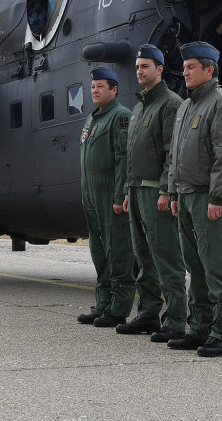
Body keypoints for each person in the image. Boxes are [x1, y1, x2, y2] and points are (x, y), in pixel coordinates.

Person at [164, 41, 222, 358]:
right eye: (183, 67)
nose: (184, 72)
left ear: (209, 70)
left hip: (208, 199)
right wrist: (172, 191)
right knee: (194, 268)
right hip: (185, 196)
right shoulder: (186, 107)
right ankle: (199, 328)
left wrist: (217, 196)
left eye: (191, 67)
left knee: (216, 267)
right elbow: (175, 155)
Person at [116, 43, 187, 343]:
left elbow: (173, 153)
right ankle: (148, 312)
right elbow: (131, 154)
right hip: (136, 191)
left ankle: (176, 319)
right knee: (143, 258)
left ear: (159, 69)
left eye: (145, 66)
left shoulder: (170, 104)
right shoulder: (139, 107)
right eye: (137, 67)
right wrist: (126, 191)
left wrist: (165, 190)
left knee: (166, 257)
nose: (139, 71)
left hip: (155, 194)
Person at [76, 66, 135, 328]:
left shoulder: (120, 117)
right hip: (91, 192)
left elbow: (124, 159)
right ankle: (102, 303)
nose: (95, 90)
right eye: (93, 87)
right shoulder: (93, 119)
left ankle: (119, 308)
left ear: (114, 90)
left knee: (117, 250)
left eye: (101, 86)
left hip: (110, 190)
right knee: (98, 250)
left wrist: (119, 193)